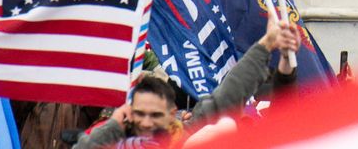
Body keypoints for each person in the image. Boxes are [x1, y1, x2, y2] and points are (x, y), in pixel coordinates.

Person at [73, 15, 301, 147]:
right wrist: (113, 126)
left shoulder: (184, 137)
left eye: (155, 115)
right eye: (140, 113)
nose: (146, 122)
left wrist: (266, 44)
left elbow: (229, 93)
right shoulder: (117, 143)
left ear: (172, 113)